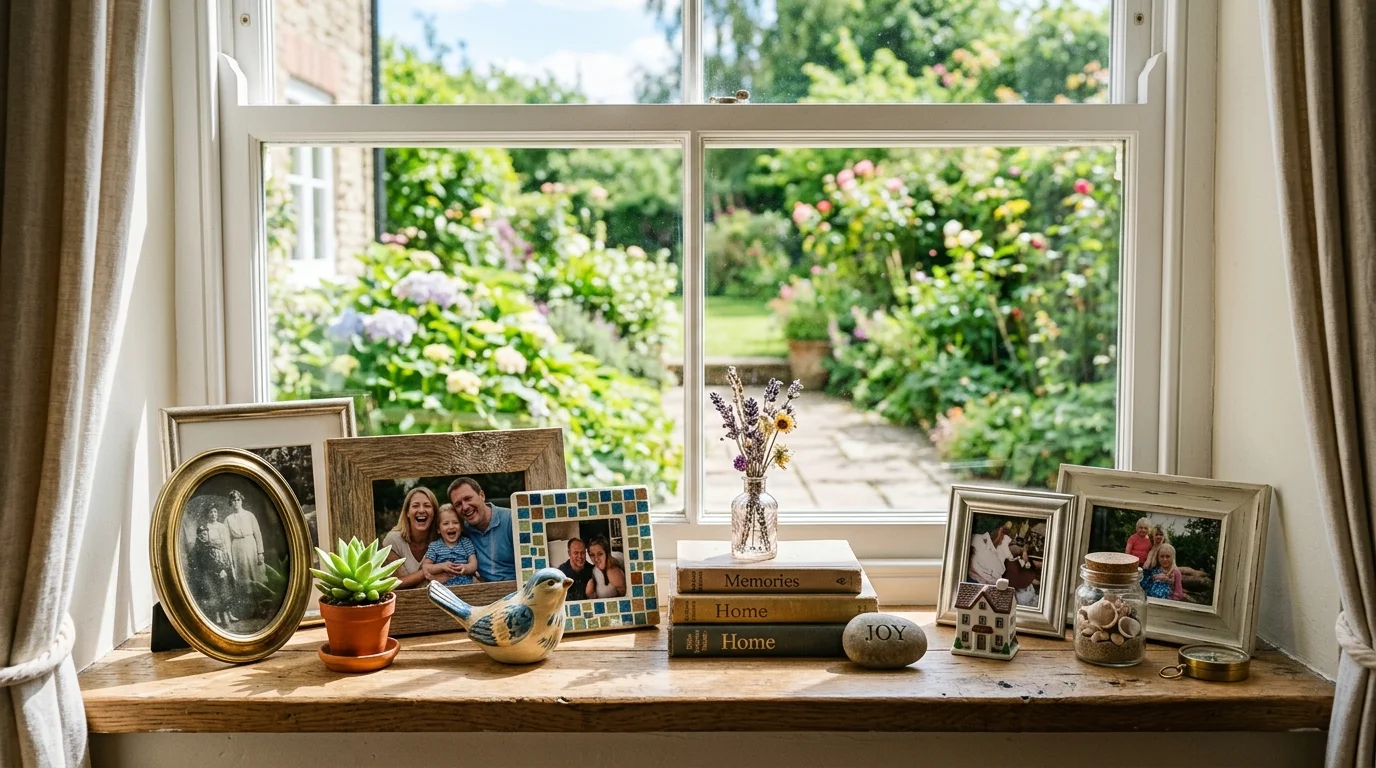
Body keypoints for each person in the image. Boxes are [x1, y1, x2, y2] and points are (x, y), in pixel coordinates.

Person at [448, 476, 516, 582]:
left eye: (468, 499)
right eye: (458, 504)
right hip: (484, 593)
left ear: (482, 496)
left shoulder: (512, 519)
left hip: (518, 590)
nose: (465, 507)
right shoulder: (462, 530)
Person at [382, 486, 440, 589]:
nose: (421, 510)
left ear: (434, 512)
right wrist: (431, 570)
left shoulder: (443, 539)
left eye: (427, 506)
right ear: (407, 512)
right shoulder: (393, 540)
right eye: (415, 506)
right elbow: (398, 583)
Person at [421, 505, 479, 587]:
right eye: (445, 524)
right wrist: (442, 566)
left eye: (455, 522)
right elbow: (426, 566)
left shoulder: (466, 542)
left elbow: (474, 564)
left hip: (466, 587)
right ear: (438, 529)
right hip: (444, 589)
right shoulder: (435, 546)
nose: (451, 526)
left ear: (461, 527)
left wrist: (465, 568)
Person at [189, 524, 231, 626]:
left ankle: (225, 614)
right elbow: (199, 563)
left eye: (206, 534)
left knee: (224, 592)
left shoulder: (210, 545)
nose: (204, 536)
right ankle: (217, 615)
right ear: (198, 536)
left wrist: (222, 569)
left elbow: (219, 559)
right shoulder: (197, 549)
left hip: (216, 573)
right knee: (213, 594)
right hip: (206, 575)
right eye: (202, 534)